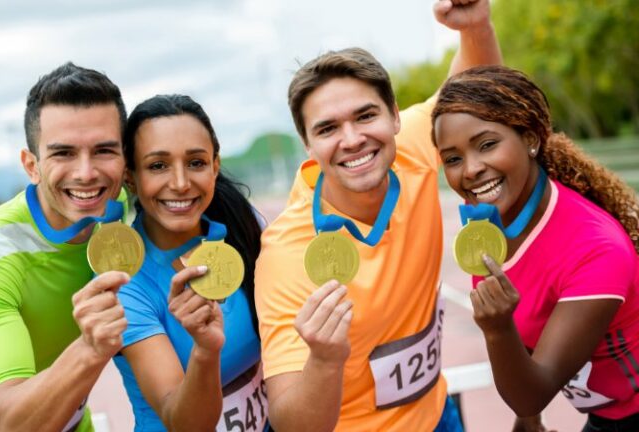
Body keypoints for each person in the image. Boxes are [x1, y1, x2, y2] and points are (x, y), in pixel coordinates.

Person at [253, 1, 503, 431]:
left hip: (438, 416)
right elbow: (291, 423)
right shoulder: (287, 255)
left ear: (394, 116)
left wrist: (476, 26)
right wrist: (325, 359)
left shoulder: (411, 150)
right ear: (307, 144)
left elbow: (475, 89)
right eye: (327, 128)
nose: (352, 139)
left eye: (365, 116)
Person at [432, 65, 639, 432]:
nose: (471, 169)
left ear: (530, 138)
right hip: (606, 414)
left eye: (487, 144)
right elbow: (530, 342)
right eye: (453, 158)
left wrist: (497, 329)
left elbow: (534, 390)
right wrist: (528, 421)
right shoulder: (487, 228)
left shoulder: (596, 250)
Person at [0, 62, 131, 431]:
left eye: (104, 151)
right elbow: (10, 422)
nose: (86, 172)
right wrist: (89, 350)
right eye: (63, 153)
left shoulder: (117, 206)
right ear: (32, 165)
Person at [113, 94, 266, 431]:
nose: (180, 183)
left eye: (196, 162)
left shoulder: (245, 223)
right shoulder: (124, 285)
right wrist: (205, 351)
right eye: (158, 166)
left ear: (215, 165)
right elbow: (183, 422)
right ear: (130, 176)